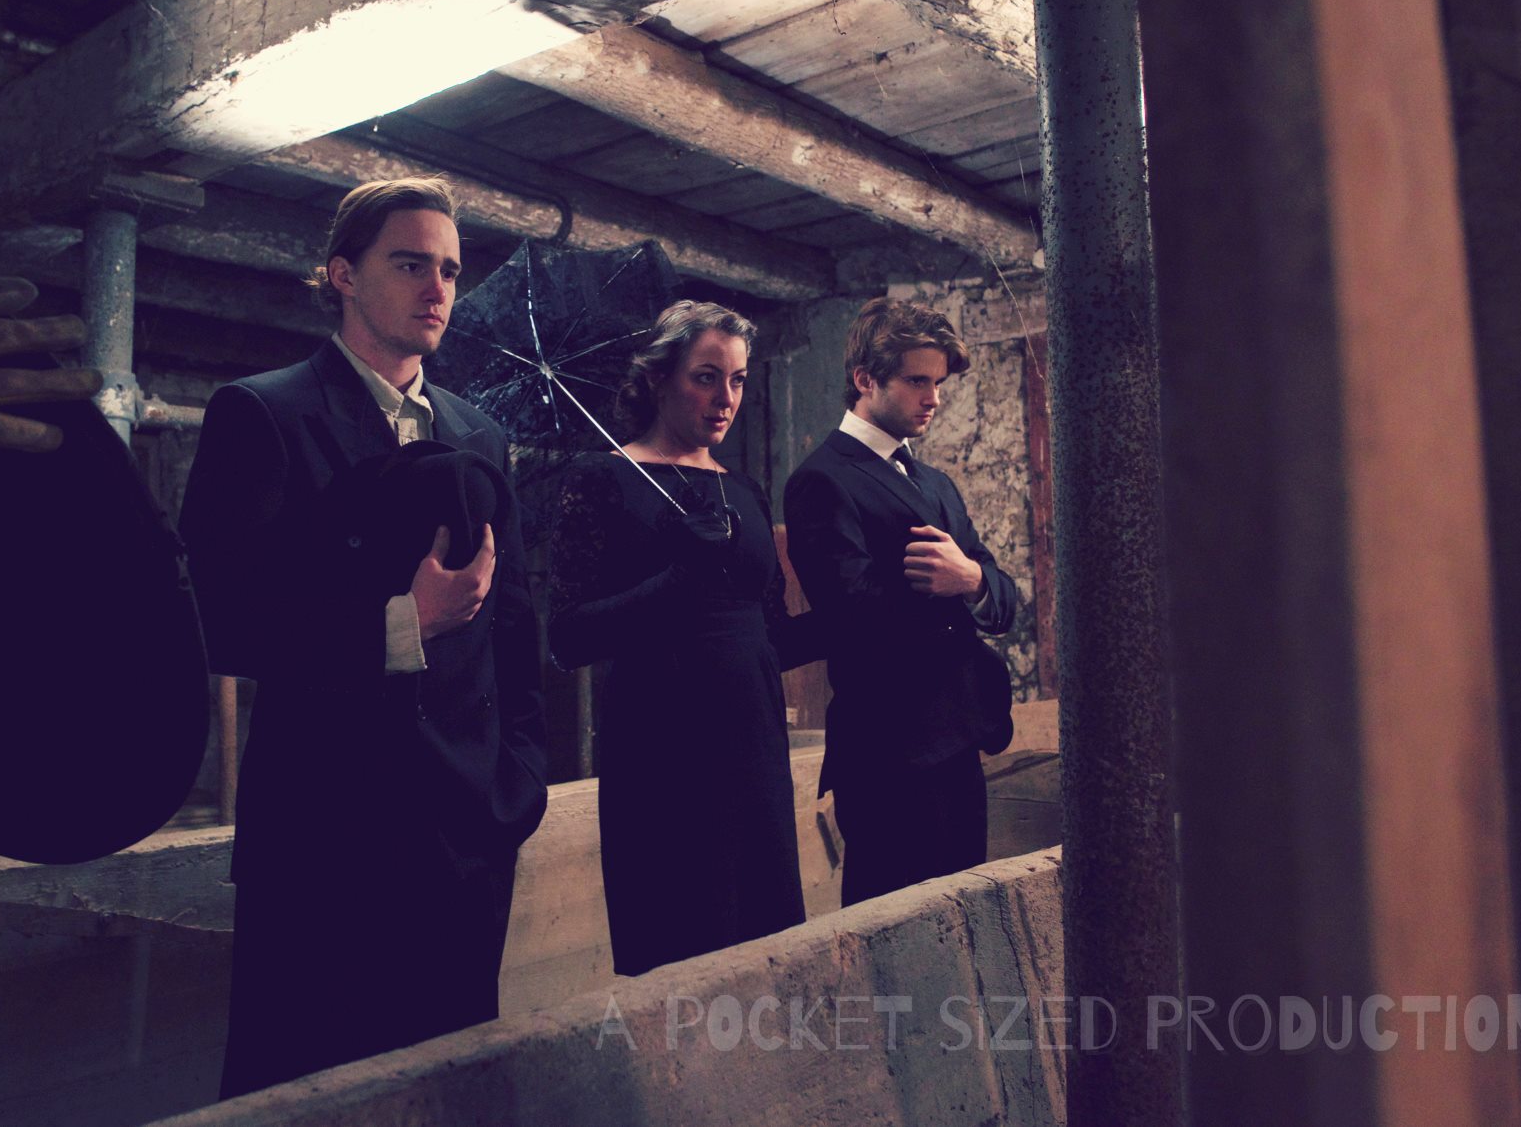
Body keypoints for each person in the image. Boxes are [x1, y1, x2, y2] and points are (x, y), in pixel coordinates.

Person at [177, 177, 548, 1097]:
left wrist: (516, 780)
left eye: (450, 271)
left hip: (464, 829)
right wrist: (402, 624)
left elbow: (514, 624)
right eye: (411, 265)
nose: (438, 289)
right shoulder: (260, 411)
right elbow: (221, 617)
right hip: (326, 831)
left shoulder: (480, 433)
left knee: (449, 1085)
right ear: (342, 275)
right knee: (310, 1090)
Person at [547, 300, 818, 976]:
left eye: (737, 380)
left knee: (765, 955)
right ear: (658, 378)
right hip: (662, 756)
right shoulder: (604, 478)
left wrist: (860, 618)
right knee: (680, 955)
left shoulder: (745, 491)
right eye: (706, 377)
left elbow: (770, 638)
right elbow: (569, 636)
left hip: (753, 749)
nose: (726, 398)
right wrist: (676, 580)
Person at [782, 297, 1019, 907]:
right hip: (888, 748)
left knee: (963, 923)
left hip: (958, 736)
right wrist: (954, 591)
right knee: (891, 929)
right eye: (917, 381)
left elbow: (1002, 594)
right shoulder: (822, 479)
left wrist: (970, 580)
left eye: (938, 383)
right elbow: (852, 615)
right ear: (866, 379)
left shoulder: (935, 482)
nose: (933, 398)